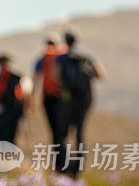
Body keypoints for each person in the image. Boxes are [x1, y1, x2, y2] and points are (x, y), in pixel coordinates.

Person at [56, 30, 106, 177]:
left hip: (68, 100)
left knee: (64, 133)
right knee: (80, 133)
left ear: (65, 41)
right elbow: (100, 74)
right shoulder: (86, 57)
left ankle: (64, 165)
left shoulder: (62, 59)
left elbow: (55, 76)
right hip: (84, 101)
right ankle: (78, 167)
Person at [33, 33, 67, 171]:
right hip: (63, 99)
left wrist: (33, 99)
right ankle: (64, 164)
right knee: (62, 133)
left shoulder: (43, 59)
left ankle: (58, 164)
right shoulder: (63, 57)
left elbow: (36, 79)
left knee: (54, 132)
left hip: (48, 98)